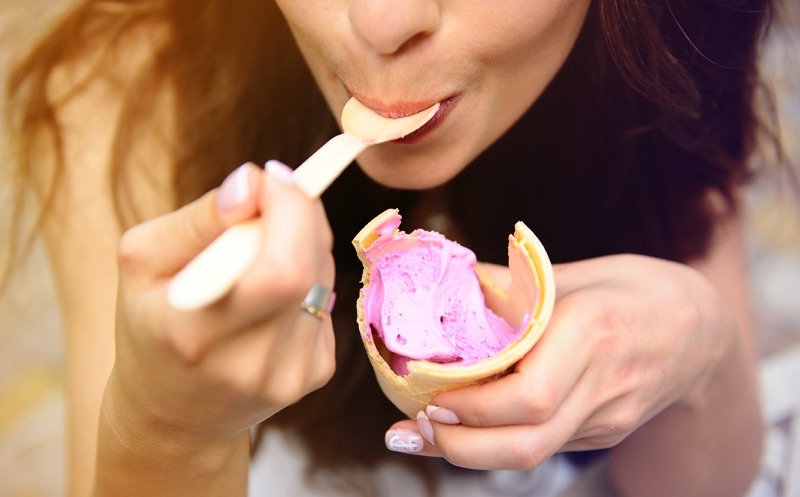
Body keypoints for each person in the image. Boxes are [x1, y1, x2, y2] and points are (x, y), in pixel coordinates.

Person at [2, 0, 783, 496]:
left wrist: (702, 351)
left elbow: (708, 481)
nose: (380, 20)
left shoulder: (659, 50)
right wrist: (166, 429)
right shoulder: (130, 92)